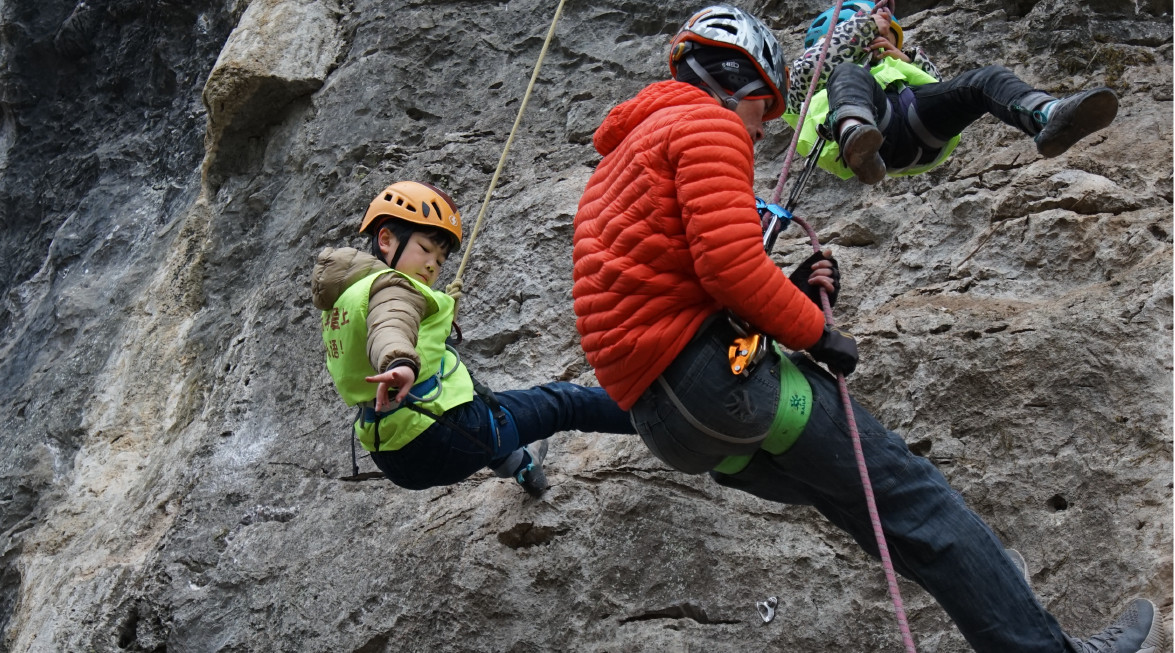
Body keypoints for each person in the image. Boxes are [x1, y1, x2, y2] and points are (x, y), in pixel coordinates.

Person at [571, 5, 1163, 651]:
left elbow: (673, 281)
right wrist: (817, 333)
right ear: (736, 81)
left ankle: (1002, 610)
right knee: (920, 504)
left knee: (888, 518)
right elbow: (729, 265)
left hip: (671, 422)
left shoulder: (614, 165)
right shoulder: (706, 124)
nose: (762, 127)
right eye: (763, 108)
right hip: (720, 386)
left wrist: (791, 292)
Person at [312, 180, 634, 495]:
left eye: (439, 260)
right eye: (424, 249)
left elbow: (394, 323)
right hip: (441, 436)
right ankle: (655, 418)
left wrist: (440, 313)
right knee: (564, 403)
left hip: (393, 455)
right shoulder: (392, 289)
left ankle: (522, 465)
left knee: (490, 415)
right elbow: (391, 325)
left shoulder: (346, 301)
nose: (431, 265)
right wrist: (400, 361)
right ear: (385, 239)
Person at [786, 0, 1119, 184]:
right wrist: (868, 26)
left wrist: (907, 58)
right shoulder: (806, 77)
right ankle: (855, 135)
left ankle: (1048, 116)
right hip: (864, 135)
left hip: (914, 125)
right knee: (848, 73)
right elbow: (814, 67)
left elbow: (938, 86)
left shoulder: (896, 66)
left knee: (984, 80)